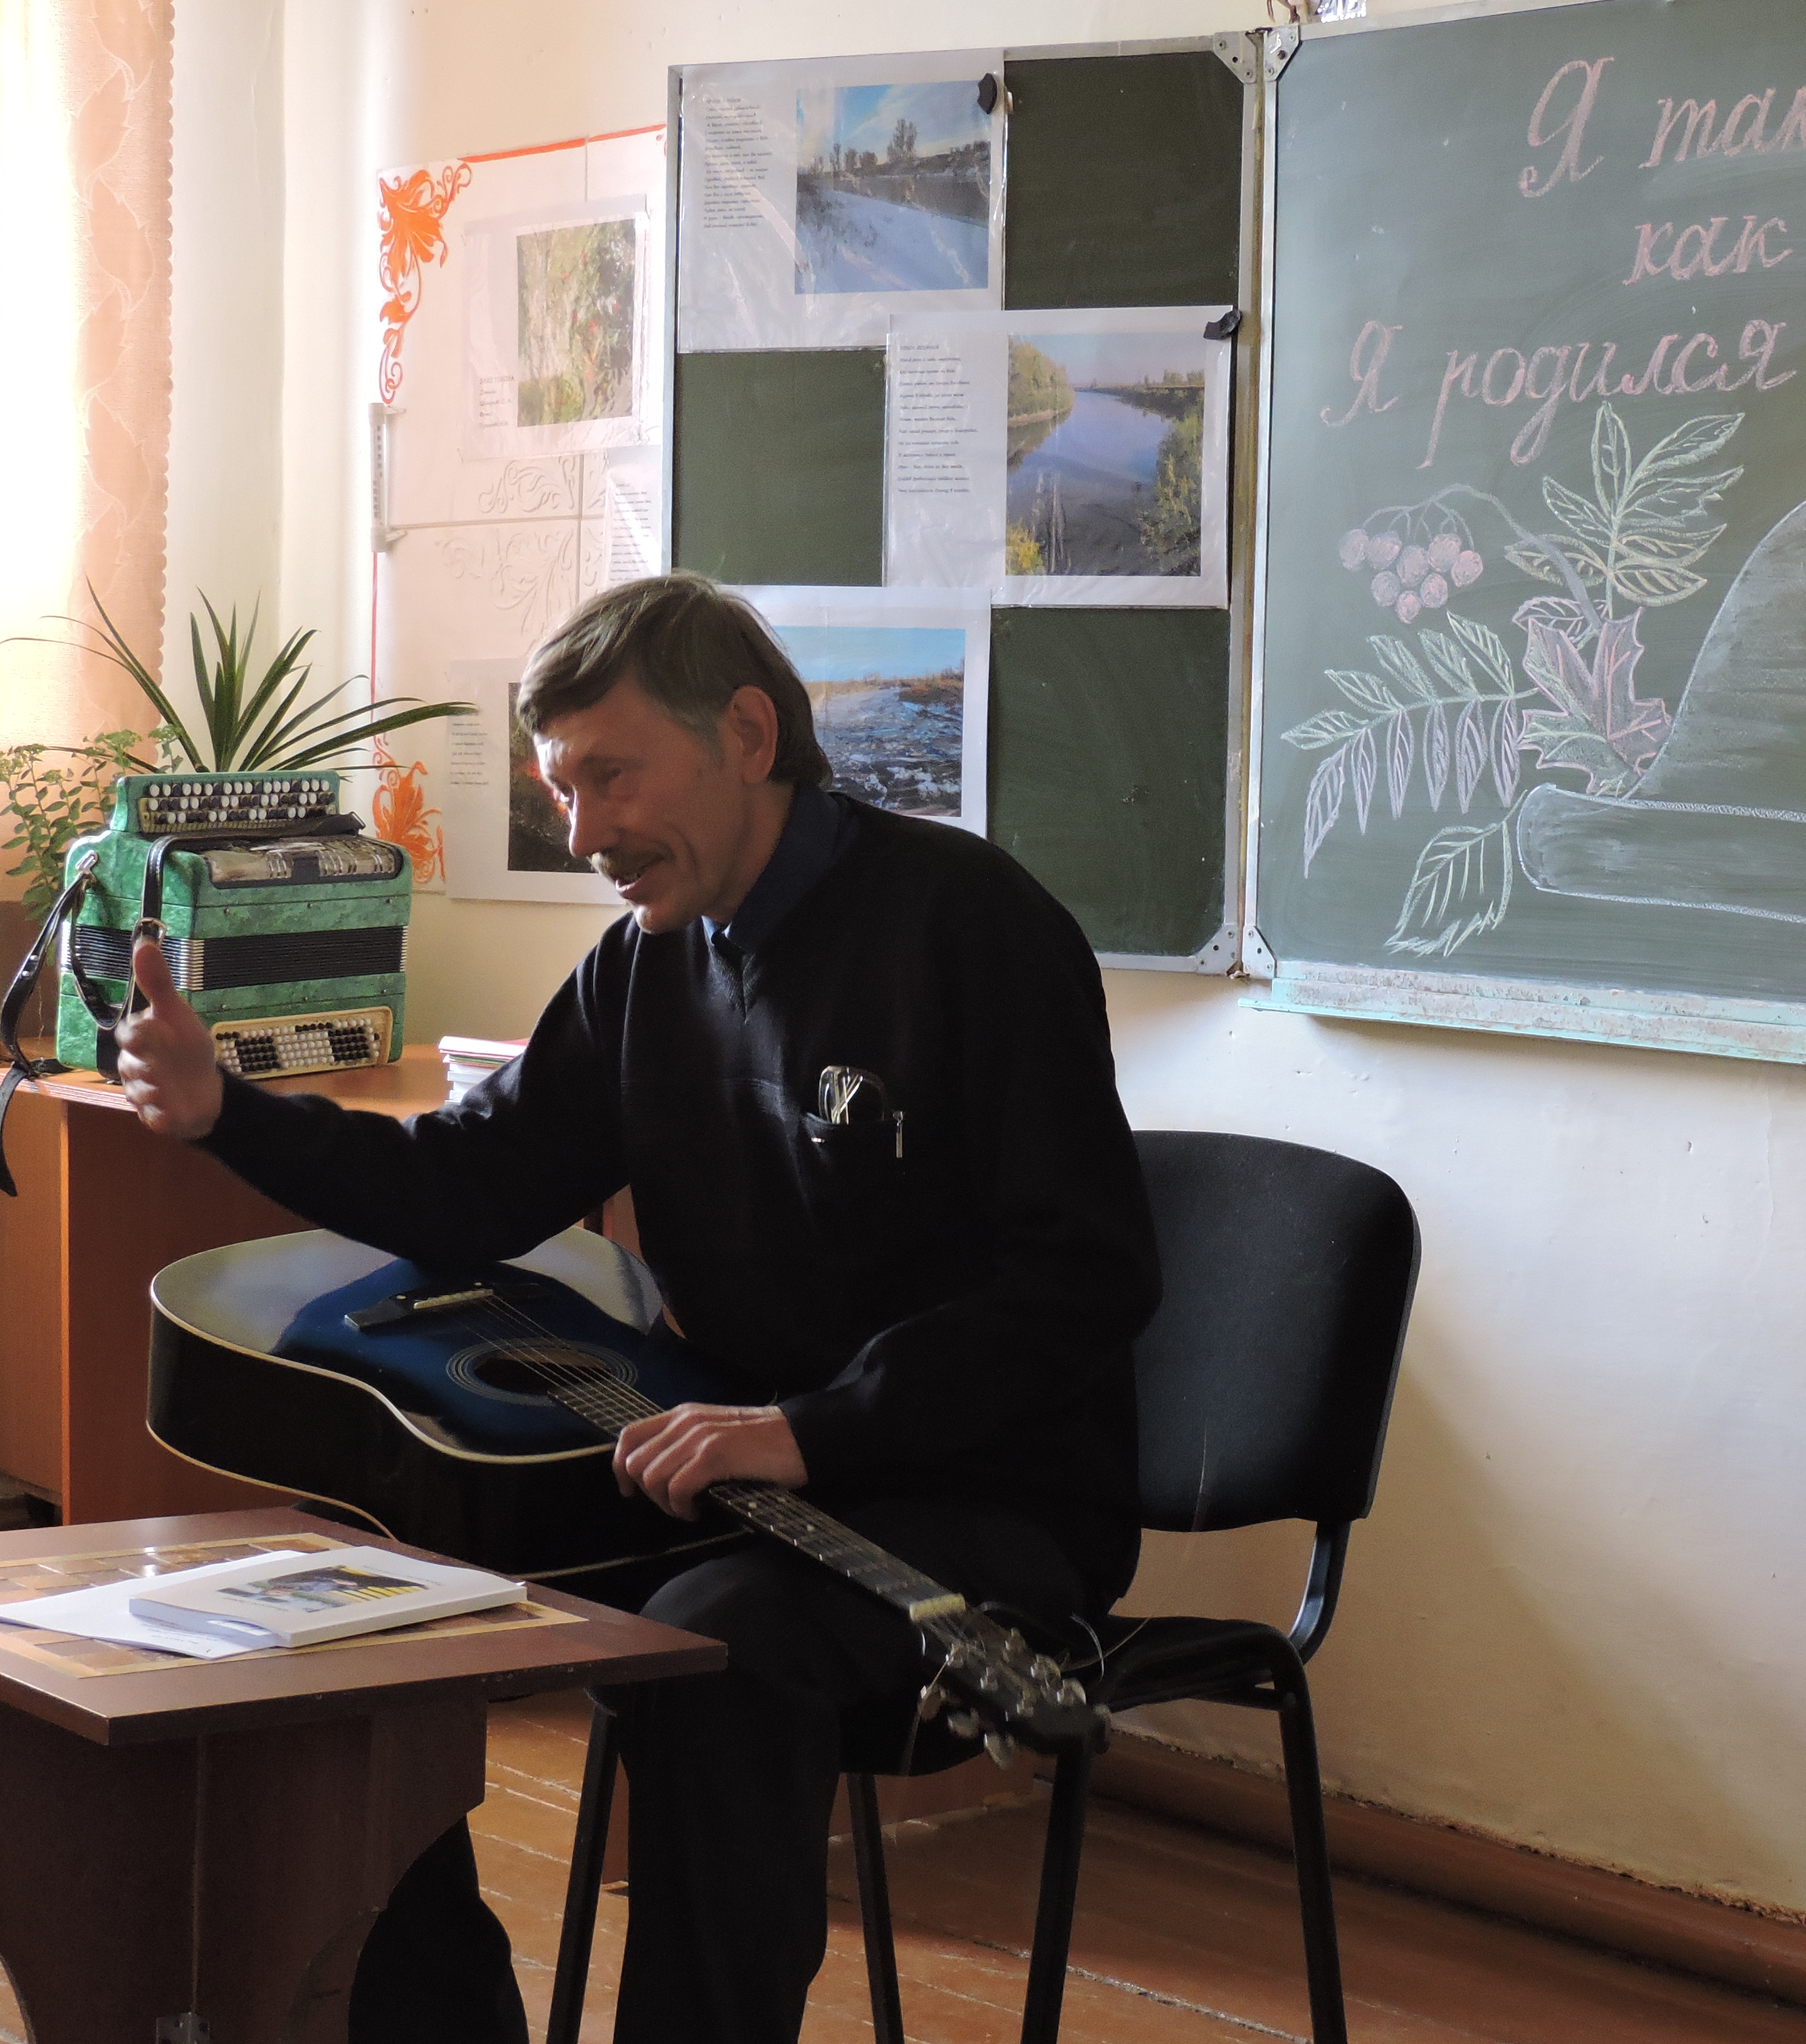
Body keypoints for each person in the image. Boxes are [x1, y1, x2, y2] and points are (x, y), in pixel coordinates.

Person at [112, 574, 1161, 2043]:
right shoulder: (646, 963)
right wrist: (230, 1111)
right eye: (561, 790)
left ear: (748, 736)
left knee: (714, 1650)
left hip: (985, 1496)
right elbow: (469, 1187)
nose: (583, 832)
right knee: (350, 1625)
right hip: (710, 1472)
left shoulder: (967, 927)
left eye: (612, 777)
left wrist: (816, 1428)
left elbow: (1086, 1277)